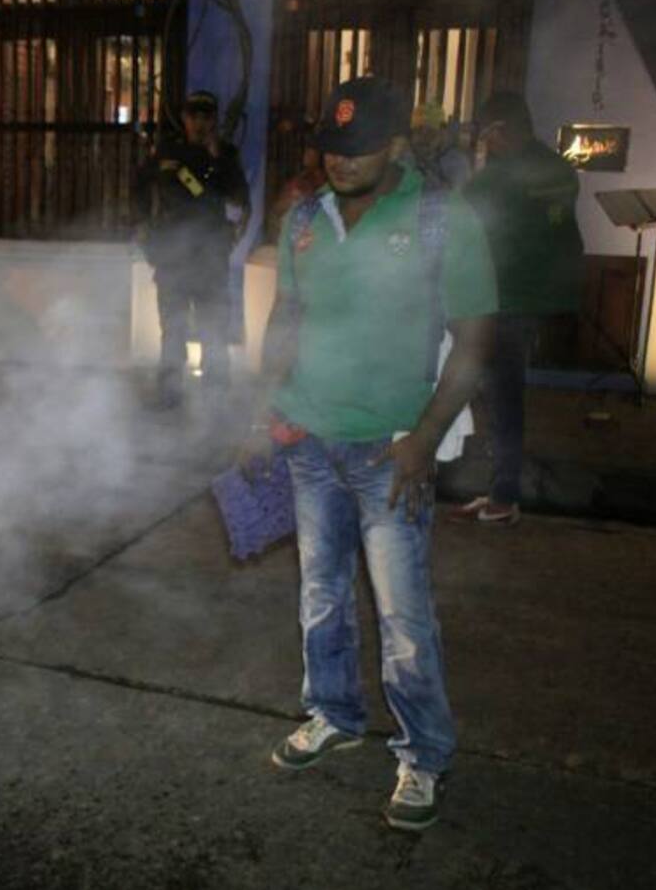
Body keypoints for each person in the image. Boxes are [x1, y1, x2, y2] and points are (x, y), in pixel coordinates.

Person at [241, 77, 496, 831]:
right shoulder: (306, 219)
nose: (339, 163)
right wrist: (262, 408)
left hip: (391, 448)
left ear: (395, 147)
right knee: (321, 591)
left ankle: (423, 753)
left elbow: (475, 342)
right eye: (330, 148)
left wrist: (422, 441)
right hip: (310, 438)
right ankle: (335, 714)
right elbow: (286, 316)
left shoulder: (440, 220)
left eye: (355, 151)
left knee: (403, 612)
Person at [454, 92, 584, 525]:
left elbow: (459, 212)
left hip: (505, 298)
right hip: (540, 296)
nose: (484, 144)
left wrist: (472, 166)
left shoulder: (500, 177)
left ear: (500, 131)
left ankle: (504, 494)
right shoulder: (558, 168)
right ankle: (499, 486)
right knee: (503, 391)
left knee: (500, 394)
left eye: (486, 135)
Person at [138, 90, 249, 408]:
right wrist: (143, 229)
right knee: (172, 326)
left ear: (214, 119)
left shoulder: (226, 155)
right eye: (194, 115)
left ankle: (216, 392)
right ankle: (169, 392)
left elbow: (238, 197)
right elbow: (140, 188)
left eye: (206, 116)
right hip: (172, 254)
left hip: (210, 255)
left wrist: (215, 161)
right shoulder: (167, 152)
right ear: (184, 117)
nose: (200, 122)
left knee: (213, 325)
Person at [266, 130, 325, 243]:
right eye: (306, 151)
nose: (305, 155)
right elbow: (278, 212)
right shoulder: (298, 182)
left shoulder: (326, 184)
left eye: (310, 151)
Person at [408, 102, 472, 190]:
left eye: (430, 133)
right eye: (418, 131)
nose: (423, 138)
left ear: (442, 132)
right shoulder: (406, 158)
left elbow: (457, 194)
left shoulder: (457, 162)